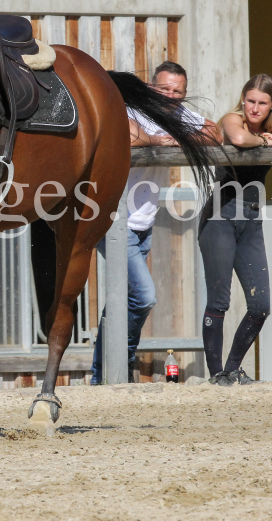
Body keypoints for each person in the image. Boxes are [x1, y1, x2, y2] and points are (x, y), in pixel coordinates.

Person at [91, 61, 221, 384]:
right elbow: (124, 136)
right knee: (145, 296)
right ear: (151, 88)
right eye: (164, 89)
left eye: (177, 91)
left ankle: (99, 375)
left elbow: (215, 133)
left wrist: (184, 135)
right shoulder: (133, 107)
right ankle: (124, 361)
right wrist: (154, 139)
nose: (170, 96)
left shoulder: (177, 115)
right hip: (112, 218)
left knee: (120, 301)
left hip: (143, 221)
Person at [200, 73, 272, 386]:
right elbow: (239, 139)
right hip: (220, 216)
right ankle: (216, 376)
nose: (254, 108)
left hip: (251, 218)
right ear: (243, 100)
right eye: (250, 100)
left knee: (261, 305)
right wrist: (267, 141)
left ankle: (233, 367)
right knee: (219, 301)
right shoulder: (232, 119)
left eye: (262, 103)